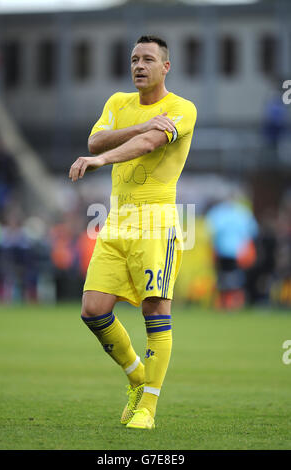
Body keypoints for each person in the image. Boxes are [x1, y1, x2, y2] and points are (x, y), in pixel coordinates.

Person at [69, 35, 197, 429]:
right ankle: (137, 376)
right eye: (134, 59)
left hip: (156, 222)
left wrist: (101, 159)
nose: (139, 66)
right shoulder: (117, 103)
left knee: (154, 310)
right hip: (116, 222)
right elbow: (95, 137)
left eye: (148, 60)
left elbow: (148, 141)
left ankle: (148, 410)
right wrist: (118, 137)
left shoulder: (181, 109)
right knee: (93, 309)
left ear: (165, 67)